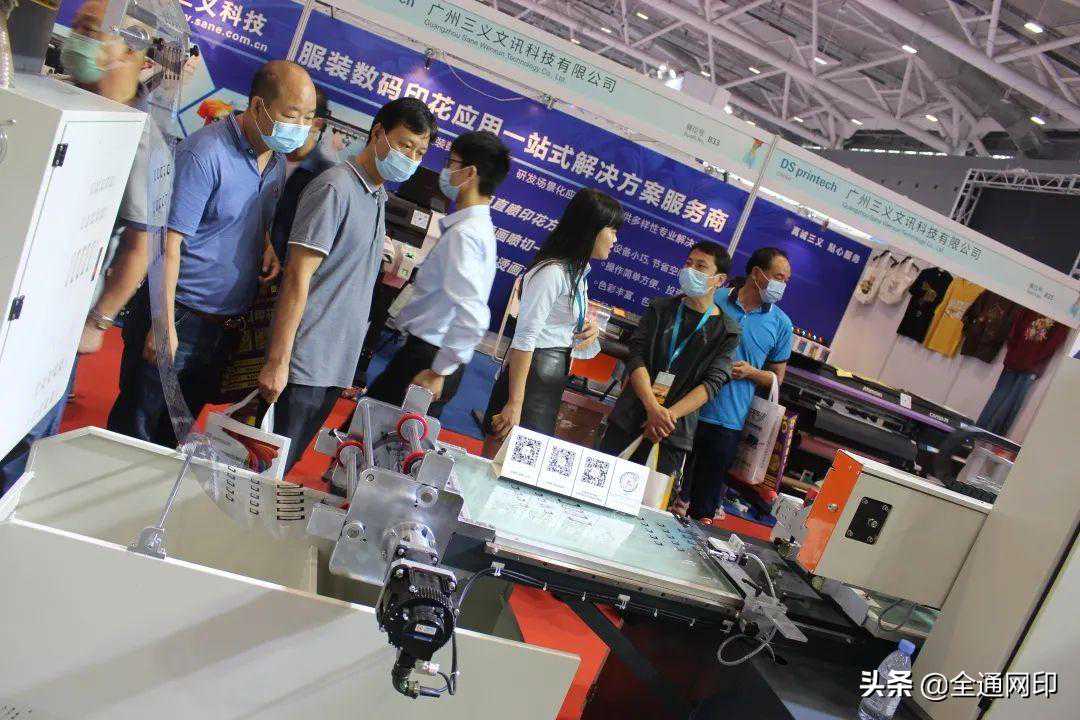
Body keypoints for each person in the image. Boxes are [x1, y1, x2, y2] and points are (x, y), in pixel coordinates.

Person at [107, 60, 317, 447]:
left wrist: (266, 246)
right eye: (292, 115)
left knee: (174, 437)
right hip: (179, 313)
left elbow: (243, 217)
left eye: (308, 117)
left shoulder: (273, 161)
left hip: (221, 327)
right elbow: (166, 243)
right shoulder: (205, 154)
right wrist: (162, 323)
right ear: (258, 106)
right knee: (136, 432)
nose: (301, 127)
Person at [0, 0, 158, 493]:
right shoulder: (52, 93)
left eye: (94, 31)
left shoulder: (139, 135)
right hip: (13, 285)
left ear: (132, 54)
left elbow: (140, 246)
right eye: (81, 26)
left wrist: (99, 321)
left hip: (59, 317)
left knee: (21, 437)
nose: (79, 38)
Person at [256, 98, 438, 473]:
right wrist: (277, 362)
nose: (410, 157)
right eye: (404, 145)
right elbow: (297, 276)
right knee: (262, 469)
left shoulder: (377, 195)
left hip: (333, 366)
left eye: (419, 152)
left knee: (282, 467)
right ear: (378, 133)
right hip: (302, 364)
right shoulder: (335, 188)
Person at [364, 130, 511, 416]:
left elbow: (473, 314)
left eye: (451, 163)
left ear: (469, 173)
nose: (445, 171)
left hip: (429, 359)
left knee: (370, 431)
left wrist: (439, 370)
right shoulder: (474, 228)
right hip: (430, 354)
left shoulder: (466, 234)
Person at [480, 188, 614, 457]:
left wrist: (586, 330)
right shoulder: (552, 272)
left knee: (523, 461)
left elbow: (556, 325)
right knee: (500, 456)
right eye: (611, 229)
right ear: (591, 229)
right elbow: (525, 338)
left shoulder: (576, 274)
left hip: (550, 377)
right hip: (530, 377)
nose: (614, 239)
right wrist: (515, 402)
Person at [596, 242, 741, 481]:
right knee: (601, 482)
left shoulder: (727, 331)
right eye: (688, 263)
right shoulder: (661, 308)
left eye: (701, 266)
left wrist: (665, 417)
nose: (690, 270)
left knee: (650, 498)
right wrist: (652, 408)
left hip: (672, 431)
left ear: (719, 280)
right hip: (631, 416)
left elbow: (713, 383)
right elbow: (636, 356)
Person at [674, 247, 794, 521]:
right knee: (667, 490)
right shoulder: (714, 297)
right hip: (686, 409)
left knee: (702, 507)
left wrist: (752, 373)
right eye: (778, 277)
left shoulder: (781, 324)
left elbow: (777, 378)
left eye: (786, 281)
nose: (782, 286)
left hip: (728, 422)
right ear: (757, 274)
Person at [269, 86, 338, 260]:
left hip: (278, 267)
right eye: (287, 114)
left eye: (298, 116)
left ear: (317, 123)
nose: (289, 122)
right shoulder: (266, 154)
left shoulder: (325, 176)